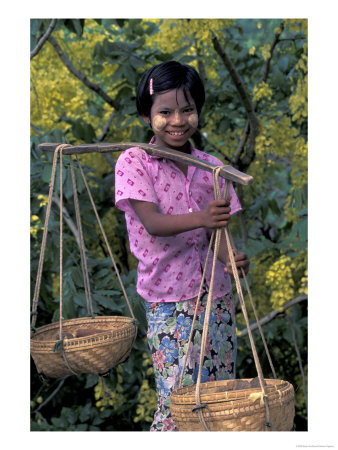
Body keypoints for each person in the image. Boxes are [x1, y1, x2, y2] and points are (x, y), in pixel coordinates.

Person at [114, 61, 250, 431]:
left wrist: (231, 259)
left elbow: (215, 235)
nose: (178, 120)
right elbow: (154, 224)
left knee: (218, 400)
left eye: (187, 109)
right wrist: (203, 218)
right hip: (168, 301)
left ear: (199, 111)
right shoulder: (135, 161)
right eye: (165, 111)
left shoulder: (212, 167)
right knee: (178, 405)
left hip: (216, 299)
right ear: (146, 116)